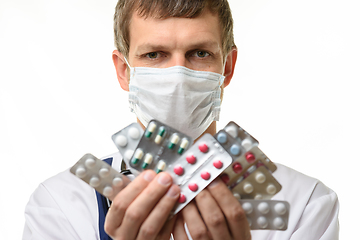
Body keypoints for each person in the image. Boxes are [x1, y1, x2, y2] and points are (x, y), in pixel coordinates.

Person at [23, 0, 339, 239]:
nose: (178, 77)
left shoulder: (304, 203)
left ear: (227, 68)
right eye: (154, 55)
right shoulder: (62, 202)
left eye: (199, 53)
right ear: (123, 71)